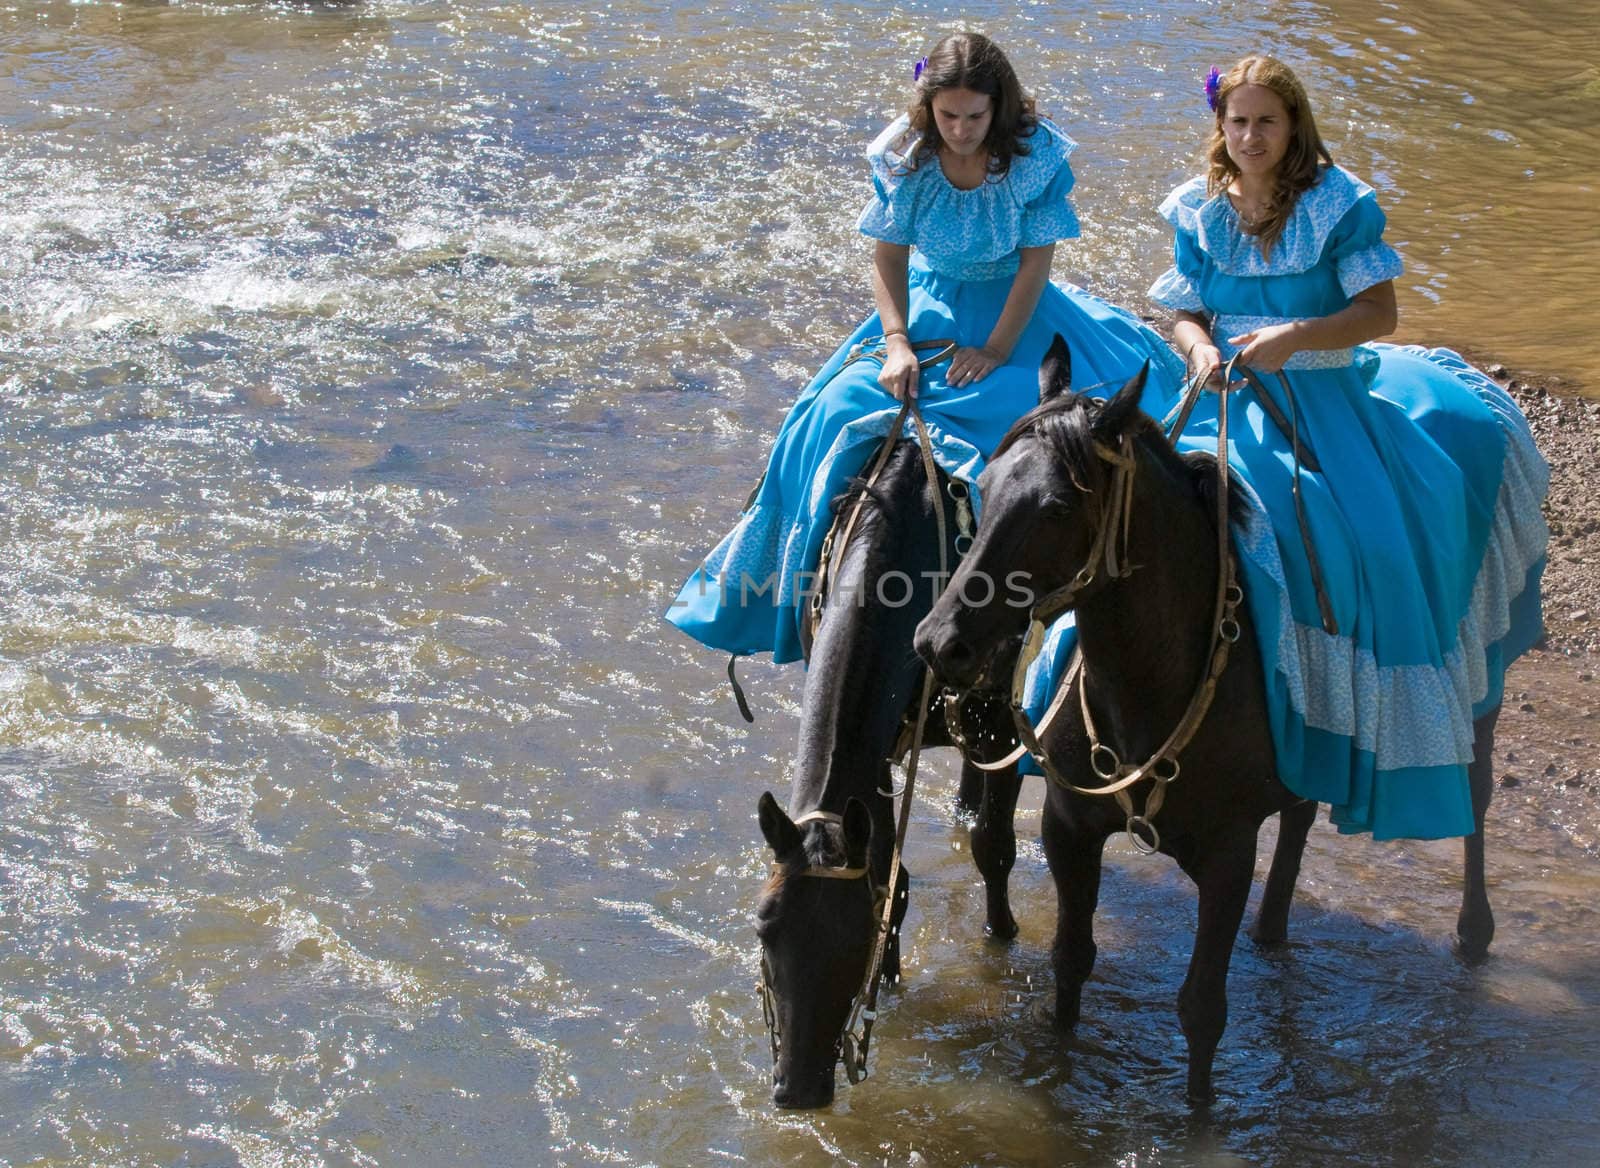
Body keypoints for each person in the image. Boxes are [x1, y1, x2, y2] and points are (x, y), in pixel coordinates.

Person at [1034, 54, 1545, 839]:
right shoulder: (1199, 208)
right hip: (1220, 396)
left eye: (1265, 121)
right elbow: (1183, 310)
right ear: (1221, 127)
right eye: (1236, 121)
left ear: (1294, 124)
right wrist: (1197, 346)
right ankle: (1065, 700)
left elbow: (1380, 314)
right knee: (1126, 521)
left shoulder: (1339, 205)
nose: (1249, 136)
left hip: (1322, 402)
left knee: (1371, 546)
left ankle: (1352, 731)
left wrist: (1298, 337)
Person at [668, 31, 1182, 664]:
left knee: (1037, 434)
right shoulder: (903, 157)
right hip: (925, 306)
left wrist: (996, 350)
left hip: (1014, 310)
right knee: (824, 413)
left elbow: (1034, 267)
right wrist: (895, 344)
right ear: (927, 107)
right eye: (947, 116)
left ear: (999, 108)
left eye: (975, 116)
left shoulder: (1034, 157)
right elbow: (888, 257)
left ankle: (1044, 618)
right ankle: (786, 587)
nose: (961, 130)